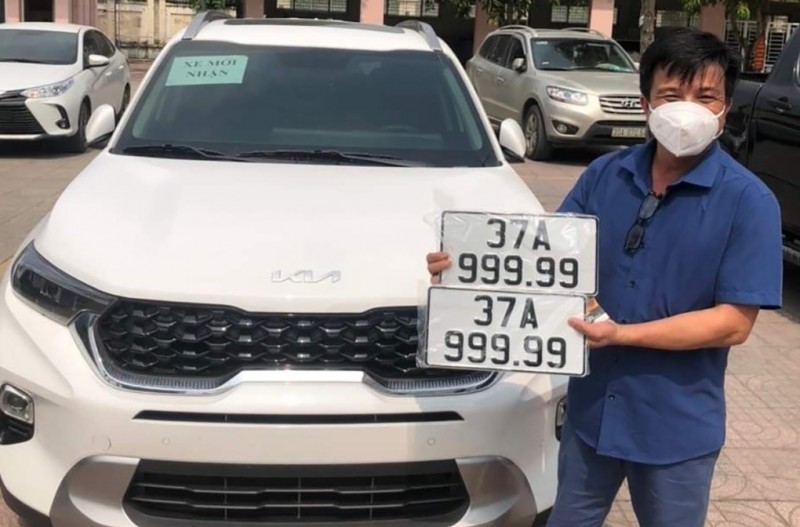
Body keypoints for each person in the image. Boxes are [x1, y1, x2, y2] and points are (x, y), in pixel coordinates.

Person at [426, 27, 783, 527]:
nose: (688, 110)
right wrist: (468, 268)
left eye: (705, 97)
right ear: (645, 103)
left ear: (725, 109)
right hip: (592, 415)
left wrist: (623, 335)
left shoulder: (749, 201)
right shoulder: (605, 175)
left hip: (675, 429)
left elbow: (733, 323)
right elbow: (547, 264)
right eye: (671, 95)